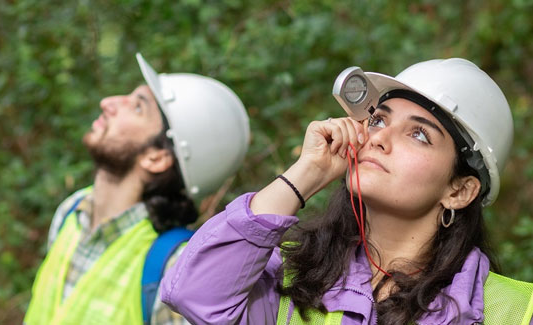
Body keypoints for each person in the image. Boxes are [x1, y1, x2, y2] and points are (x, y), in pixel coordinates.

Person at [160, 58, 533, 324]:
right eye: (378, 120)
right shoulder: (290, 282)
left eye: (418, 134)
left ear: (460, 190)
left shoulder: (515, 311)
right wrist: (306, 173)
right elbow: (193, 294)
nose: (379, 138)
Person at [23, 53, 250, 324]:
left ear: (156, 157)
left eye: (137, 107)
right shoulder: (70, 213)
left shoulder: (174, 270)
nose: (108, 103)